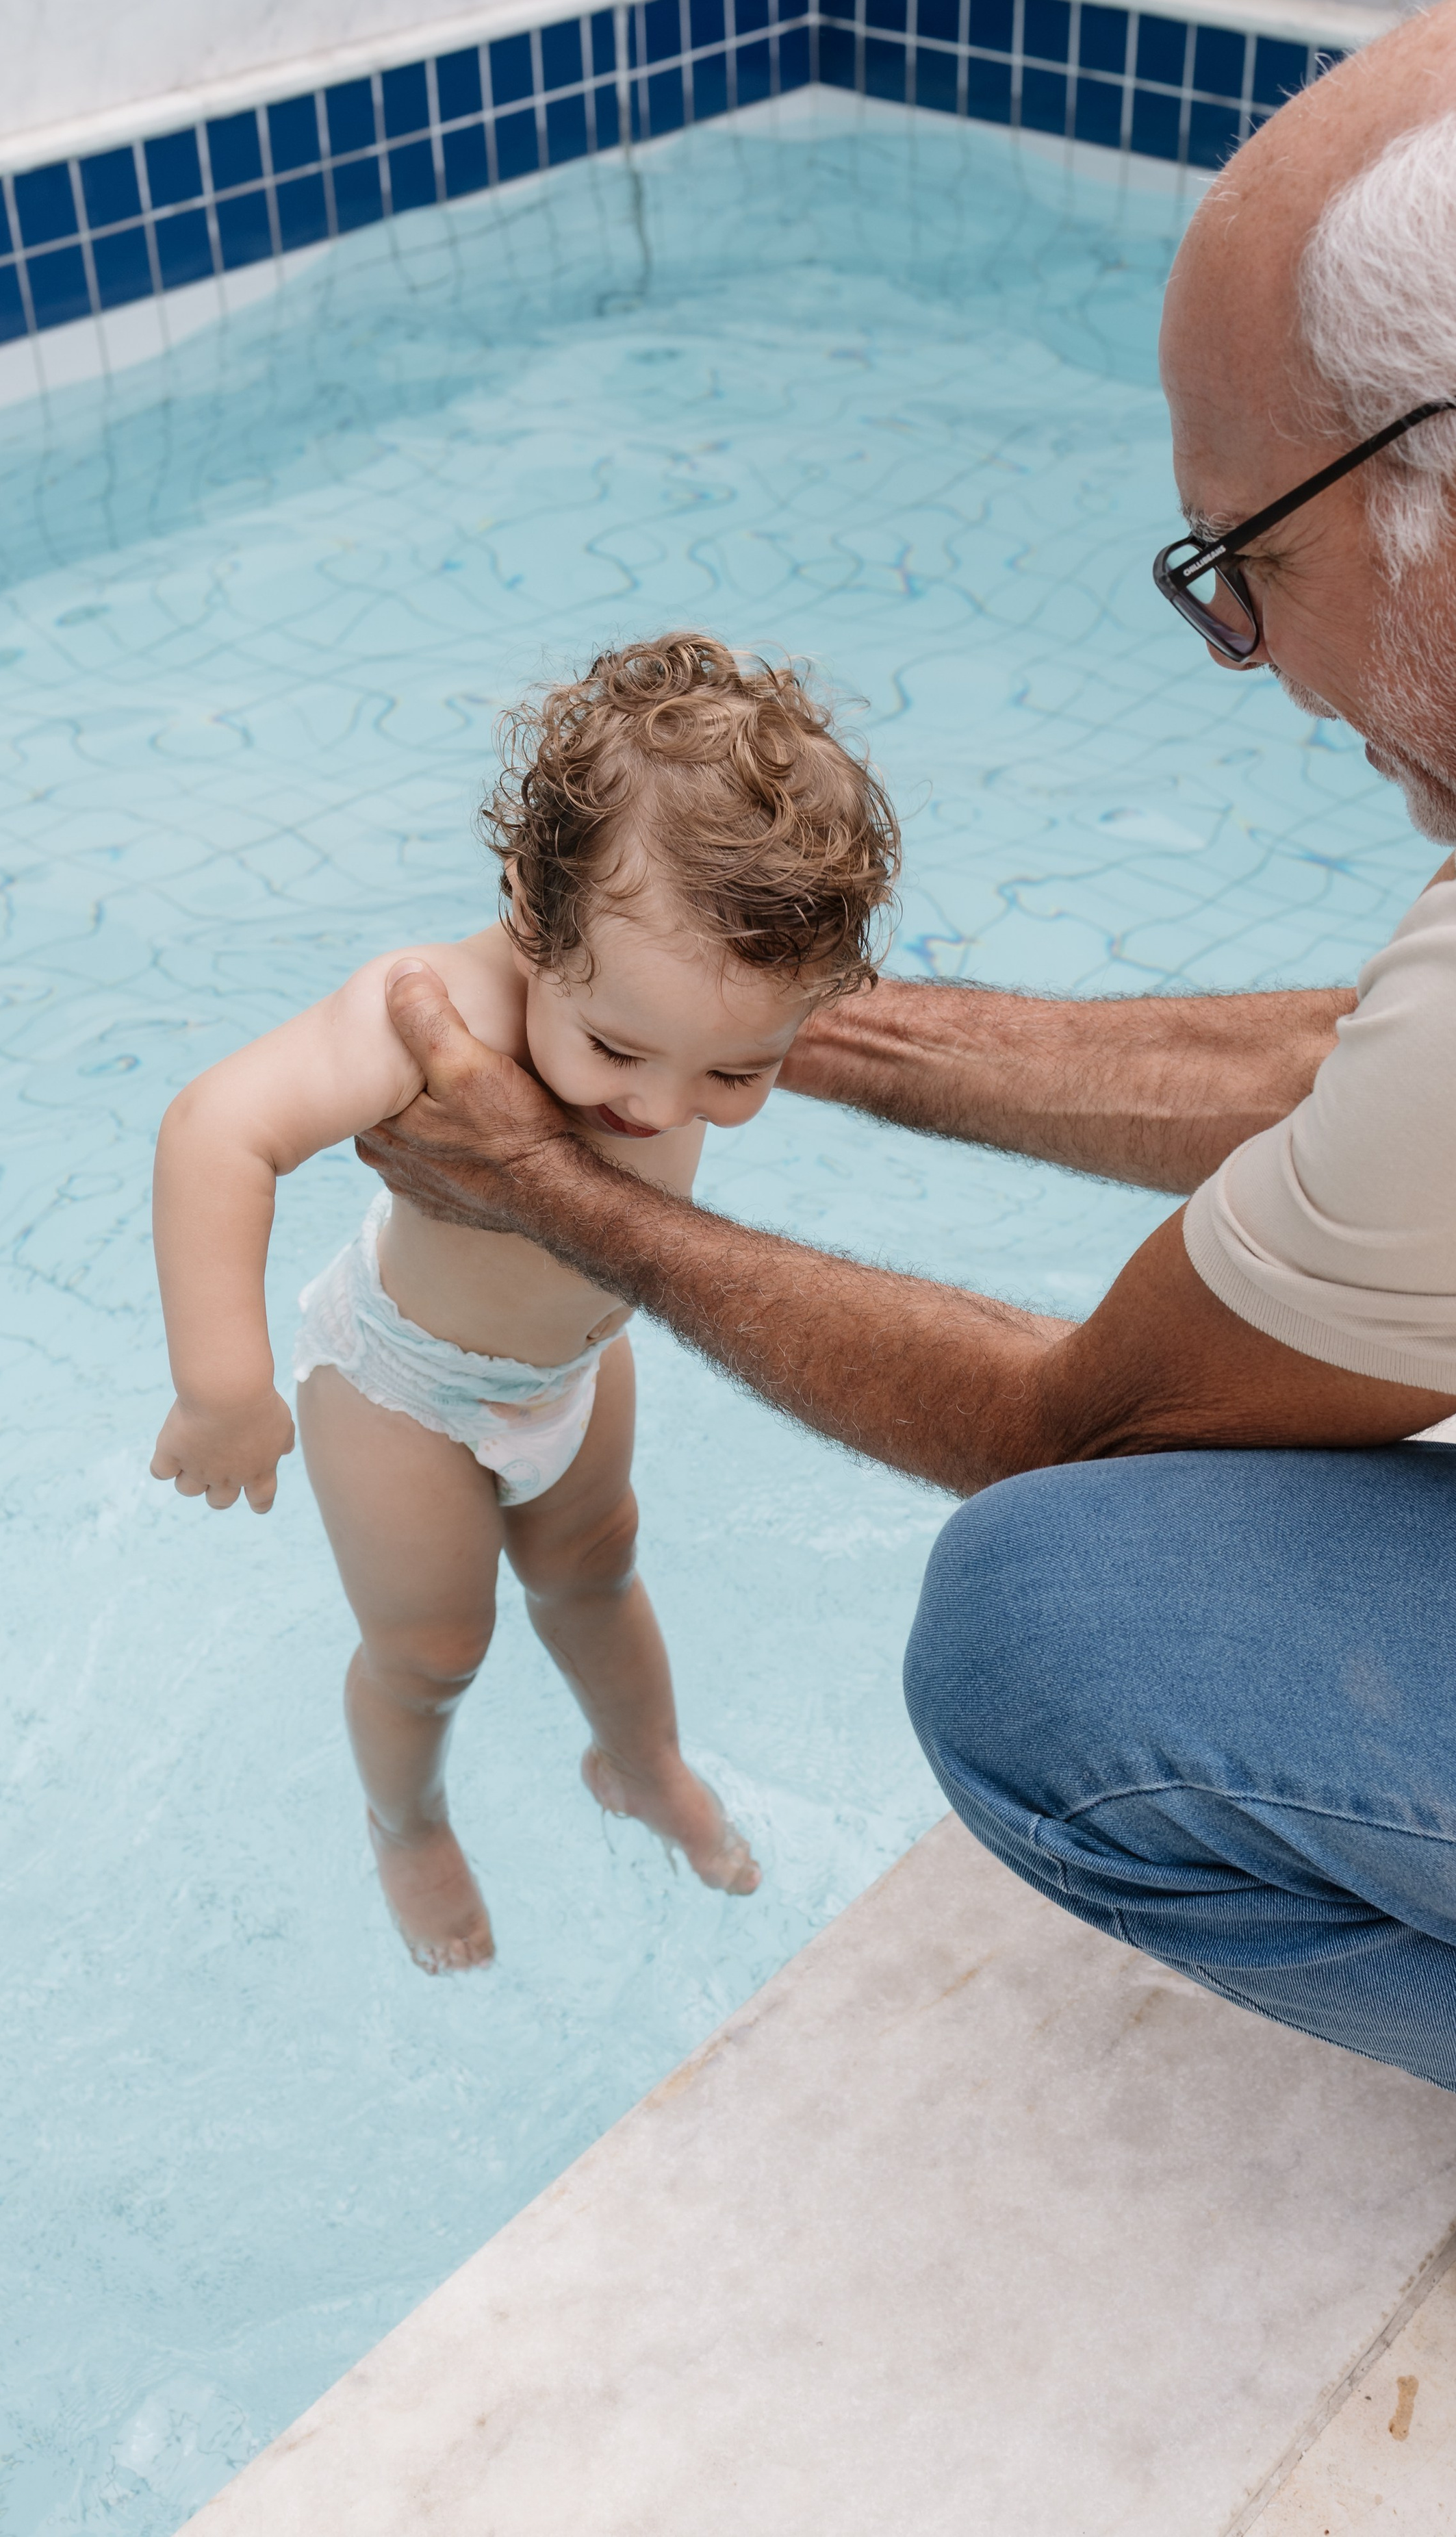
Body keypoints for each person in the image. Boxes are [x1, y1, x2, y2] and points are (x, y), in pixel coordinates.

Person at [349, 0, 1456, 2433]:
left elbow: (1085, 1429)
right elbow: (1384, 1071)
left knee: (1057, 1641)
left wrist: (583, 1191)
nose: (1244, 658)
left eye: (1240, 563)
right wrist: (746, 1017)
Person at [149, 635, 899, 1972]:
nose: (659, 1106)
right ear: (527, 910)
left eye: (735, 1074)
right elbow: (217, 1128)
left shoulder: (689, 986)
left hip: (569, 1372)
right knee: (434, 1644)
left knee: (597, 1569)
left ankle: (639, 1760)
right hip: (402, 1387)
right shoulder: (430, 1007)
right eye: (615, 1048)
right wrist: (223, 1385)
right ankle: (407, 1819)